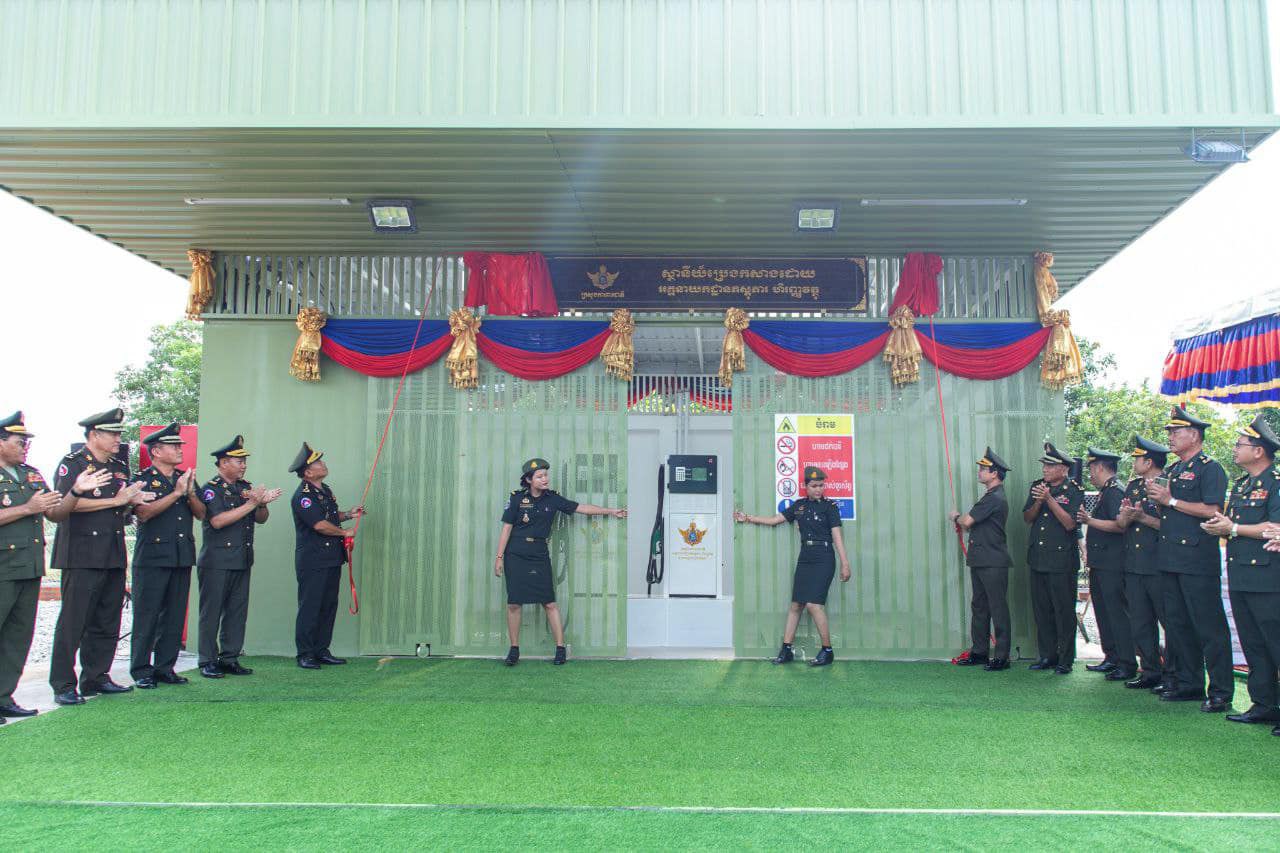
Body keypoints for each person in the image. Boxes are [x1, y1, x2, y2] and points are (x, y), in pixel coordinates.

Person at [0, 412, 104, 720]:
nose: (25, 448)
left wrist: (76, 491)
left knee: (18, 637)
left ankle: (4, 696)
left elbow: (56, 514)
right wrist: (26, 508)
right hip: (3, 568)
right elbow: (31, 508)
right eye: (20, 442)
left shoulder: (31, 474)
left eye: (27, 443)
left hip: (29, 567)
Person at [45, 407, 150, 706]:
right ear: (94, 435)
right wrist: (116, 501)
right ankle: (63, 684)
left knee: (107, 619)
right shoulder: (73, 464)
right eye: (112, 433)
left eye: (119, 433)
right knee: (73, 621)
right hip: (81, 554)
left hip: (112, 552)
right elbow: (65, 506)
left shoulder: (118, 467)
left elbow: (119, 506)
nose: (118, 439)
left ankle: (96, 676)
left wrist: (131, 502)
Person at [494, 458, 626, 666]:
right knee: (514, 604)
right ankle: (514, 650)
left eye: (546, 475)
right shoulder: (517, 498)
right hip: (515, 554)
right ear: (529, 480)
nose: (545, 479)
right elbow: (507, 528)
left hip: (539, 554)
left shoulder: (553, 499)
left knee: (549, 602)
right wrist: (499, 557)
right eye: (539, 476)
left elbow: (581, 508)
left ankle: (560, 648)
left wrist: (610, 511)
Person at [1145, 405, 1232, 712]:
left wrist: (1171, 500)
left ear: (1194, 435)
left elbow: (1213, 510)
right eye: (1169, 432)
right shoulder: (1172, 470)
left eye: (1176, 432)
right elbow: (1168, 512)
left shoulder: (1210, 468)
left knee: (1208, 627)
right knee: (1178, 625)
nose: (1170, 437)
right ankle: (1189, 682)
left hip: (1197, 558)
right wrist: (1159, 500)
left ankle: (1220, 690)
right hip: (1170, 556)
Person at [1202, 415, 1280, 728]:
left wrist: (1233, 528)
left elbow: (1273, 527)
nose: (1235, 449)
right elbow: (1235, 525)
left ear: (1258, 451)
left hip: (1267, 577)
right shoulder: (1242, 485)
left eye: (1240, 444)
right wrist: (1223, 527)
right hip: (1240, 574)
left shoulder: (1275, 484)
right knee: (1253, 643)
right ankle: (1263, 704)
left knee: (1274, 641)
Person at [736, 465, 852, 667]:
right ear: (806, 486)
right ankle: (786, 650)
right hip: (805, 557)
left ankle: (827, 651)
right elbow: (775, 520)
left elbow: (836, 536)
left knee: (814, 605)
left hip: (824, 557)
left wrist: (845, 562)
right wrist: (747, 518)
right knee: (797, 604)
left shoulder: (830, 507)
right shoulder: (799, 506)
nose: (818, 489)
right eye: (814, 485)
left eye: (821, 485)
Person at [196, 435, 280, 679]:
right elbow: (217, 521)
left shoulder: (244, 488)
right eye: (238, 461)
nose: (243, 465)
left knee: (236, 612)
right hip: (217, 561)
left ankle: (229, 658)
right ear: (223, 463)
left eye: (244, 461)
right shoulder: (211, 489)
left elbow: (261, 519)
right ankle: (207, 660)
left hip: (241, 558)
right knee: (211, 613)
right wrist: (252, 504)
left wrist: (261, 504)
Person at [130, 422, 204, 689]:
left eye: (180, 445)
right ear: (157, 451)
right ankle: (141, 669)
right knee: (147, 615)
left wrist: (190, 493)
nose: (180, 449)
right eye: (174, 446)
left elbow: (201, 513)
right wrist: (176, 493)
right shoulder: (142, 480)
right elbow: (144, 513)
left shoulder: (185, 478)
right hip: (152, 557)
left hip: (180, 555)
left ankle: (165, 667)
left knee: (174, 616)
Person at [289, 441, 362, 670]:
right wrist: (344, 532)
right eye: (318, 463)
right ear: (308, 472)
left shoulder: (325, 490)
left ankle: (321, 650)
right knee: (310, 607)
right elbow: (319, 525)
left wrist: (348, 514)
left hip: (331, 558)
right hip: (314, 560)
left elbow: (329, 516)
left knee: (328, 606)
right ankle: (305, 653)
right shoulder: (303, 496)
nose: (323, 464)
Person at [1114, 435, 1174, 692]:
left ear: (1149, 462)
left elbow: (1172, 527)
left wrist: (1143, 518)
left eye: (1138, 459)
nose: (1134, 463)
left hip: (1158, 564)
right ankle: (1150, 670)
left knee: (1168, 622)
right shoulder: (1134, 486)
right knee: (1140, 622)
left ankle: (1172, 674)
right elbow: (1120, 523)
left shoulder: (1167, 485)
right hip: (1134, 564)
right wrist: (1128, 516)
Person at [1023, 442, 1084, 675]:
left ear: (1064, 469)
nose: (1045, 469)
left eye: (1050, 466)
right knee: (1042, 611)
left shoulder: (1074, 490)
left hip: (1062, 561)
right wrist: (1040, 500)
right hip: (1038, 558)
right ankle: (1047, 655)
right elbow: (1027, 518)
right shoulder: (1037, 487)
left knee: (1063, 611)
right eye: (1044, 465)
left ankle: (1065, 659)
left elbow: (1070, 524)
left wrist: (1049, 500)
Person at [949, 448, 1013, 671]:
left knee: (997, 608)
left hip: (992, 562)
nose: (979, 472)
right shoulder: (990, 497)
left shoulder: (994, 498)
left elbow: (967, 521)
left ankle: (1002, 656)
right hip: (982, 560)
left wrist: (956, 517)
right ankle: (980, 652)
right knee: (980, 607)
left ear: (995, 473)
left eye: (983, 469)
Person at [1077, 448, 1136, 681]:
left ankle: (1126, 662)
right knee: (1103, 612)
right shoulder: (1106, 491)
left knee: (1117, 614)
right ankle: (1111, 656)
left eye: (1092, 469)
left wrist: (1089, 520)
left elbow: (1119, 526)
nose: (1090, 474)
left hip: (1113, 563)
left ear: (1100, 467)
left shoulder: (1114, 492)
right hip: (1101, 562)